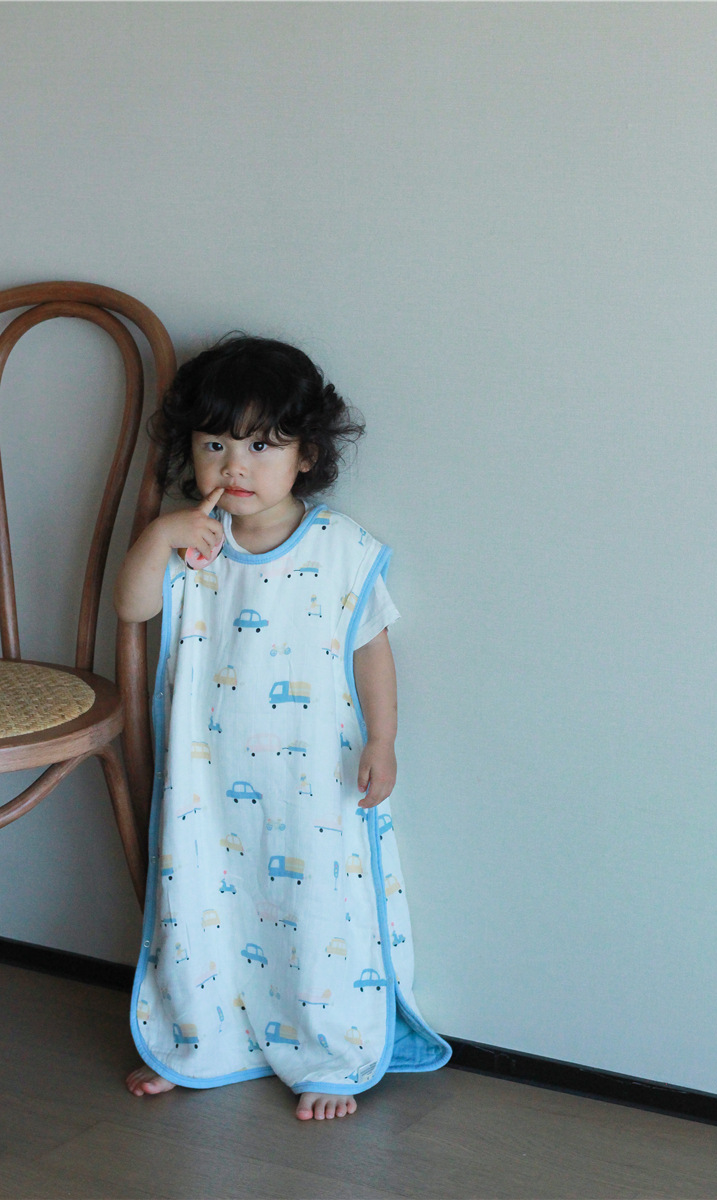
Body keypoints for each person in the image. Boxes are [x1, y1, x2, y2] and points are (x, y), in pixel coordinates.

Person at [115, 335, 450, 1121]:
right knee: (202, 902)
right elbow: (133, 607)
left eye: (262, 446)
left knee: (317, 910)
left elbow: (371, 648)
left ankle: (328, 1048)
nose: (235, 465)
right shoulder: (192, 545)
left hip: (314, 781)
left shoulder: (340, 550)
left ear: (307, 456)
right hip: (206, 781)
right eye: (215, 444)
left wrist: (383, 740)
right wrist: (157, 538)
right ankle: (203, 1040)